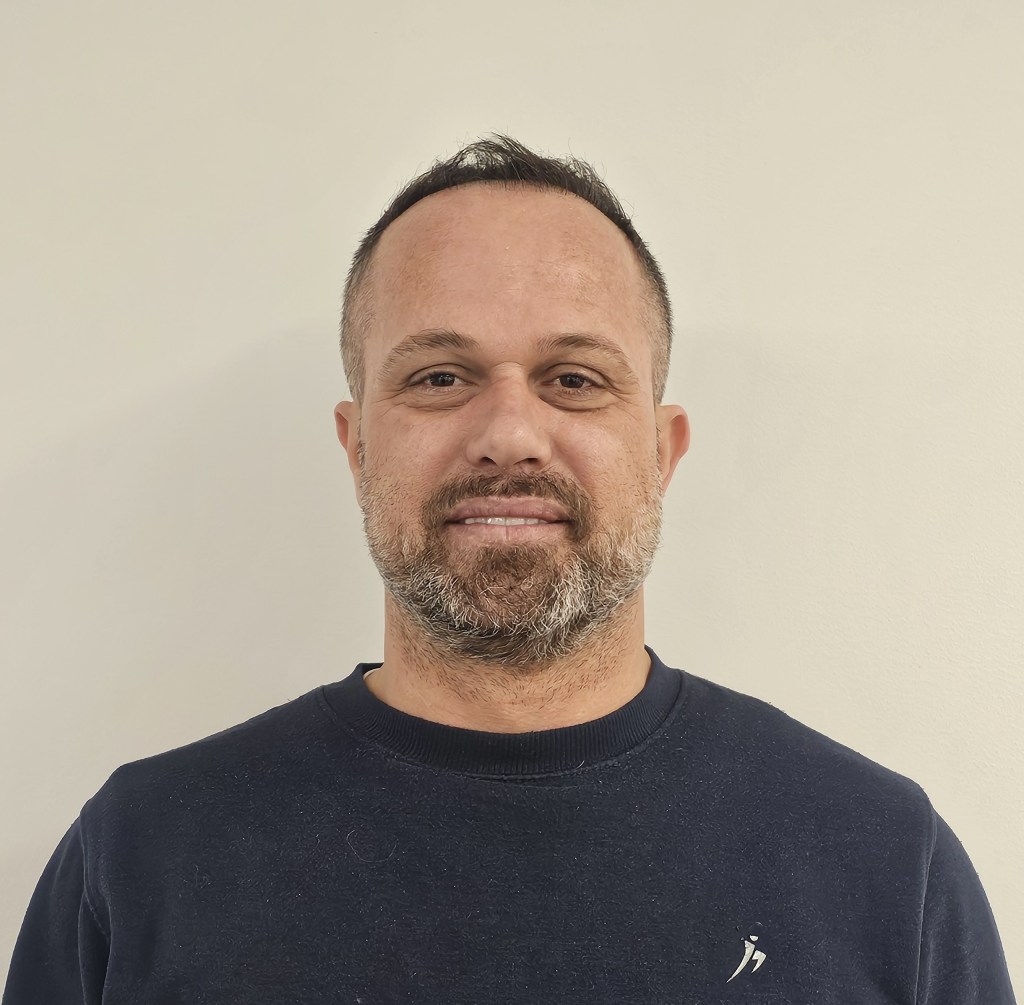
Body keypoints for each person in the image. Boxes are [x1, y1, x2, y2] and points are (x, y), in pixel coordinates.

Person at [4, 136, 1015, 1004]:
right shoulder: (140, 859)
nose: (510, 433)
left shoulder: (883, 864)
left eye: (574, 378)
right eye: (440, 376)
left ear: (662, 451)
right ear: (357, 445)